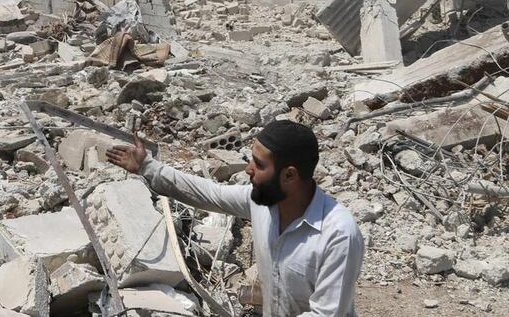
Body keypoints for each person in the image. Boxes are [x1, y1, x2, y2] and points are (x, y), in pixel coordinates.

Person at [107, 119, 364, 317]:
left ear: (290, 175)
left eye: (259, 165)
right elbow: (210, 193)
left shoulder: (338, 235)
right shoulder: (263, 202)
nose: (249, 170)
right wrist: (148, 168)